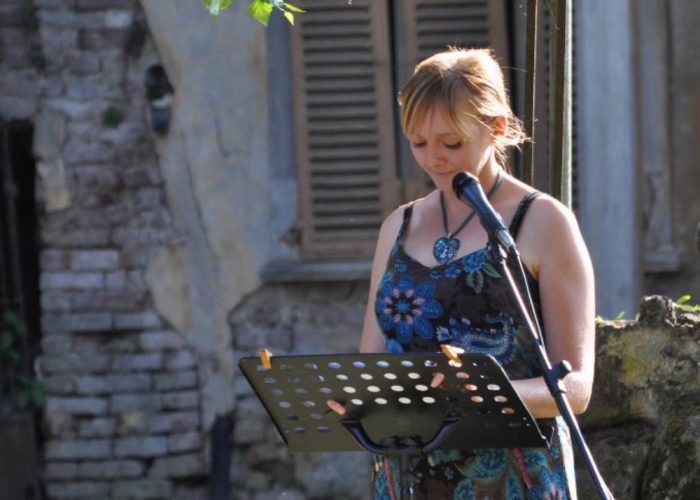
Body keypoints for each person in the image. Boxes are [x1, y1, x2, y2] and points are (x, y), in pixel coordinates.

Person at [330, 48, 595, 499]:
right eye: (418, 142)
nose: (433, 159)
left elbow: (575, 388)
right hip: (407, 474)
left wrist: (481, 393)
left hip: (514, 478)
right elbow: (374, 365)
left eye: (450, 142)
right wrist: (353, 399)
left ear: (495, 128)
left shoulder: (544, 221)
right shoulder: (398, 225)